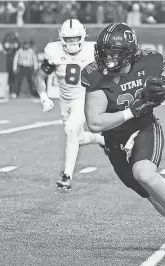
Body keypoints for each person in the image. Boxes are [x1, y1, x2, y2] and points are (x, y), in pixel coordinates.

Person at [81, 22, 165, 256]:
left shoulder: (148, 62)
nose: (108, 58)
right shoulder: (95, 74)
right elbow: (95, 122)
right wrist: (132, 109)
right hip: (115, 139)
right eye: (105, 50)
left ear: (129, 53)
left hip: (144, 127)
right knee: (147, 192)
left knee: (144, 173)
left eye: (115, 52)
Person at [35, 19, 105, 190]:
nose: (72, 42)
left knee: (71, 129)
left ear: (82, 36)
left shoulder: (93, 50)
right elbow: (40, 77)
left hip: (83, 97)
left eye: (75, 38)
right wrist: (44, 97)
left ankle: (67, 176)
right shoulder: (53, 50)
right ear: (61, 38)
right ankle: (100, 138)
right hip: (64, 99)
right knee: (77, 137)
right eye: (68, 38)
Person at [2, 32, 20, 98]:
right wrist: (6, 37)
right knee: (9, 79)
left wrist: (16, 37)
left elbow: (18, 45)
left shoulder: (15, 50)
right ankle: (8, 92)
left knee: (14, 79)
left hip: (14, 66)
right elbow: (4, 45)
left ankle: (14, 92)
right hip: (9, 65)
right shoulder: (8, 50)